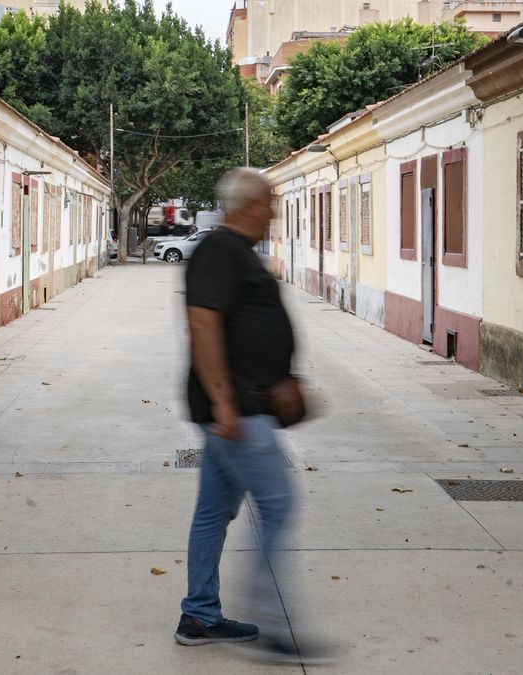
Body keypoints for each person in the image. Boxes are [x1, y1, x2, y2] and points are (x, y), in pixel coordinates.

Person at [174, 168, 324, 664]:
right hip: (238, 411)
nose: (274, 212)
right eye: (268, 202)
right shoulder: (219, 251)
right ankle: (275, 626)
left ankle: (199, 615)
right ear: (246, 206)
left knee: (213, 512)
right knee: (278, 504)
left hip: (244, 407)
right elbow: (204, 325)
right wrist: (222, 404)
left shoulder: (236, 253)